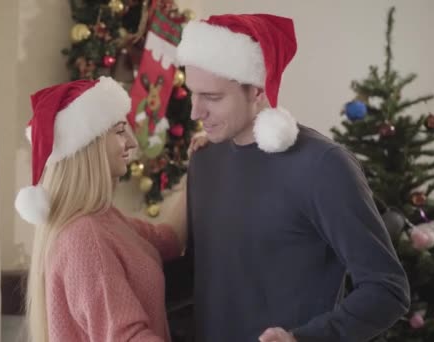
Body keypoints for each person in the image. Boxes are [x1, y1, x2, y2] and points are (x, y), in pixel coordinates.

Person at [176, 13, 410, 341]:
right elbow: (203, 275)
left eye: (212, 97)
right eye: (192, 94)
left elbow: (388, 288)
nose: (195, 113)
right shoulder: (204, 160)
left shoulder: (323, 166)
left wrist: (304, 338)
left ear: (257, 90)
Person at [15, 76, 188, 342]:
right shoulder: (85, 237)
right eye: (120, 131)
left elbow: (168, 239)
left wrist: (199, 172)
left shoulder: (105, 221)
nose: (131, 143)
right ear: (89, 147)